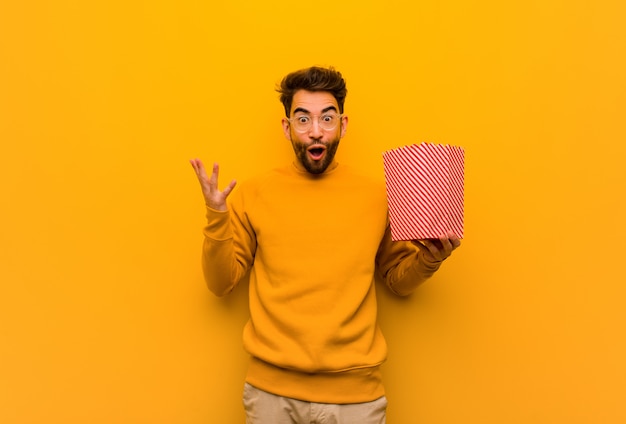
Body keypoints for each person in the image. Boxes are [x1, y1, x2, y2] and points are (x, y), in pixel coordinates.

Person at [190, 66, 461, 424]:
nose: (315, 131)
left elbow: (397, 280)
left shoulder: (378, 197)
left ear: (343, 125)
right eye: (303, 119)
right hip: (271, 395)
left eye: (326, 118)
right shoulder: (253, 194)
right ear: (287, 128)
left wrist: (428, 260)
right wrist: (216, 215)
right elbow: (220, 284)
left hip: (356, 400)